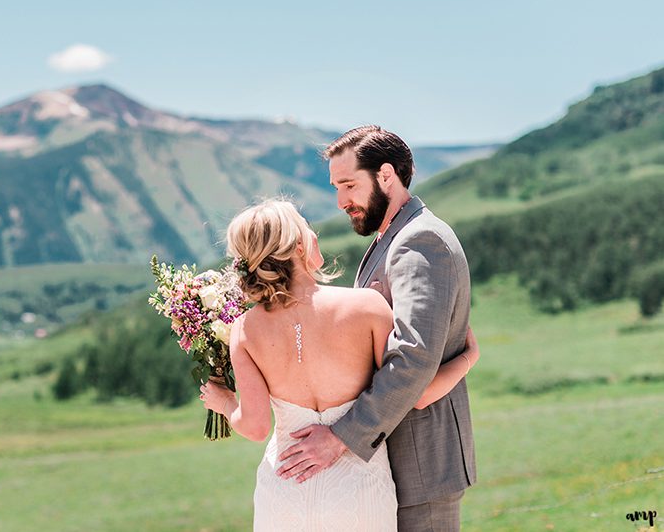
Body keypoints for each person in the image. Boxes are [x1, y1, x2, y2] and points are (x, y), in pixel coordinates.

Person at [200, 198, 478, 531]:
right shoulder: (367, 307)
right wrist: (467, 357)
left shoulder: (244, 330)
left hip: (284, 489)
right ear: (300, 245)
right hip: (358, 489)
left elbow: (256, 427)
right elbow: (414, 393)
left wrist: (226, 403)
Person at [274, 125, 478, 530]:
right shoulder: (394, 236)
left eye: (349, 185)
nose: (340, 201)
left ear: (386, 175)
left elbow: (413, 359)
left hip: (420, 465)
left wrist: (339, 438)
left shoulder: (419, 241)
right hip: (392, 465)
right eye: (336, 187)